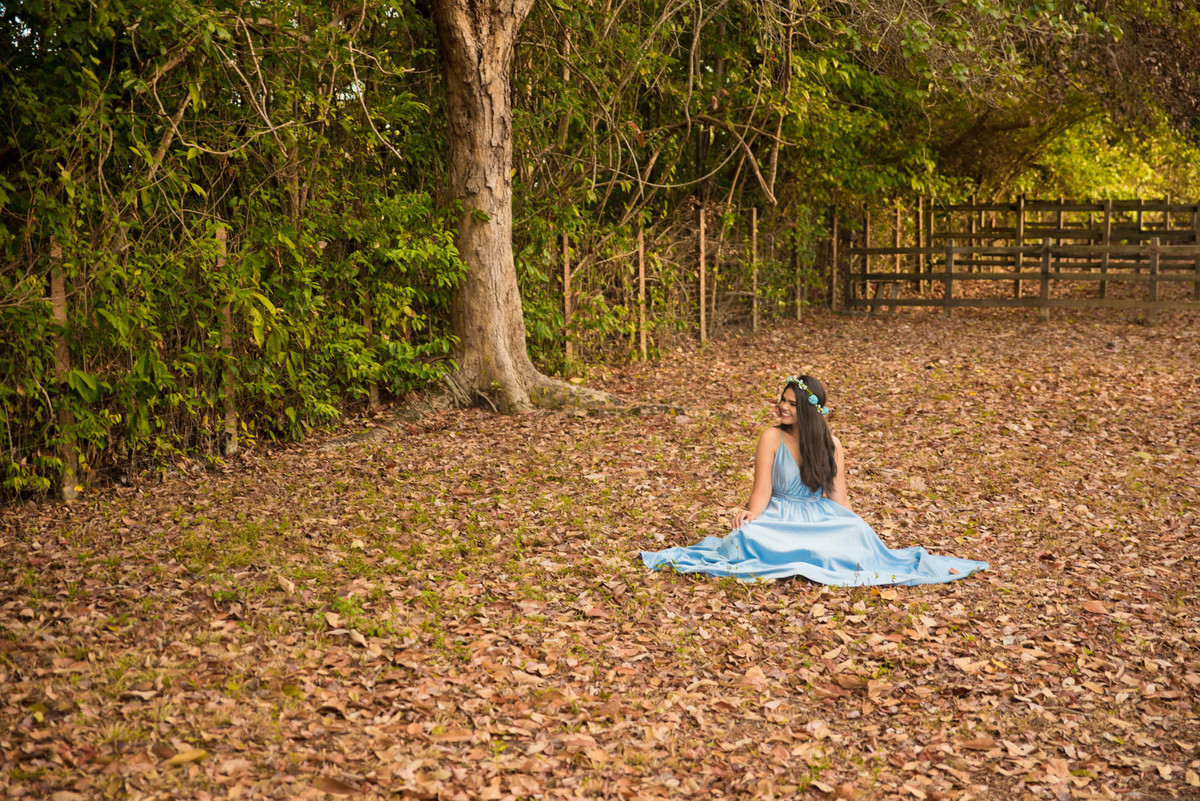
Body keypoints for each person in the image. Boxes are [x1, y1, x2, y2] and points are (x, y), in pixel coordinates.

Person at [641, 375, 988, 585]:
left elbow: (839, 501)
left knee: (854, 535)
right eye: (782, 399)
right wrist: (749, 514)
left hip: (818, 516)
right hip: (779, 515)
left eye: (791, 403)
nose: (782, 407)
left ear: (808, 410)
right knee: (743, 539)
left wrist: (858, 529)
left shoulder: (831, 445)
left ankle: (825, 553)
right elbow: (761, 492)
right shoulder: (770, 438)